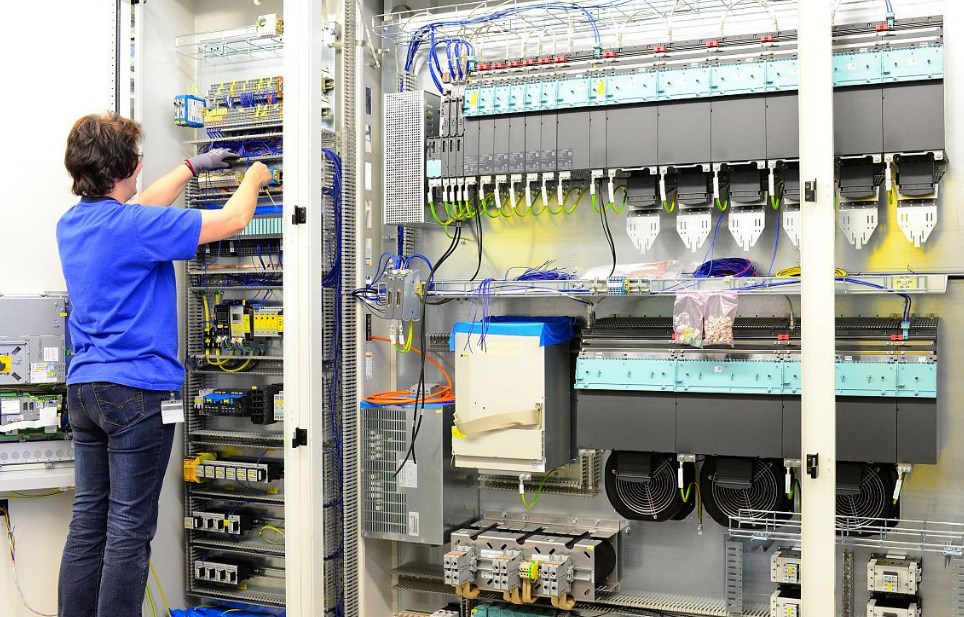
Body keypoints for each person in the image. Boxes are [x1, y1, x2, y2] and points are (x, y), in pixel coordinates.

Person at [55, 111, 272, 617]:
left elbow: (137, 208)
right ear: (124, 167)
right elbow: (234, 220)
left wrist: (191, 167)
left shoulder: (74, 224)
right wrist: (256, 176)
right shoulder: (135, 227)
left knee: (88, 522)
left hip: (85, 391)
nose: (141, 165)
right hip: (137, 393)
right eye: (137, 159)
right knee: (129, 528)